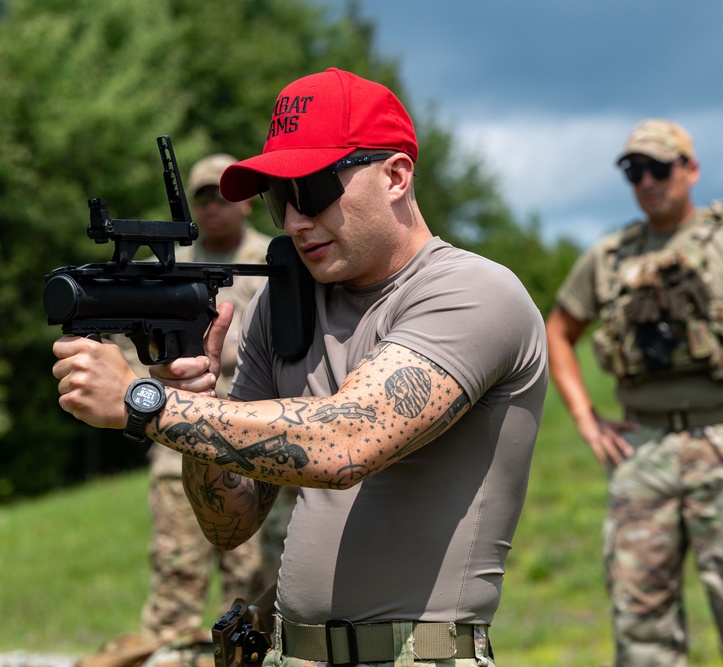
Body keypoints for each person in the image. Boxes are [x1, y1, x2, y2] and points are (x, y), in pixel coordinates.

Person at [54, 67, 547, 667]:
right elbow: (230, 522)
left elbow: (345, 442)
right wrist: (192, 395)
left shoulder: (472, 292)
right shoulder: (285, 305)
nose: (293, 220)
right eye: (276, 199)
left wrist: (144, 404)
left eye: (311, 191)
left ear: (395, 176)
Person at [545, 119, 723, 666]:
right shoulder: (610, 257)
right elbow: (558, 329)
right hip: (643, 450)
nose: (647, 180)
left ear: (690, 170)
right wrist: (586, 417)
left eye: (659, 167)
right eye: (634, 170)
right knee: (639, 620)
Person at [131, 153, 285, 643]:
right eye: (203, 198)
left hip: (255, 444)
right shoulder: (164, 269)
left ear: (245, 205)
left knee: (252, 588)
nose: (213, 207)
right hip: (179, 451)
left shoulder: (278, 260)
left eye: (223, 196)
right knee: (175, 580)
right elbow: (131, 354)